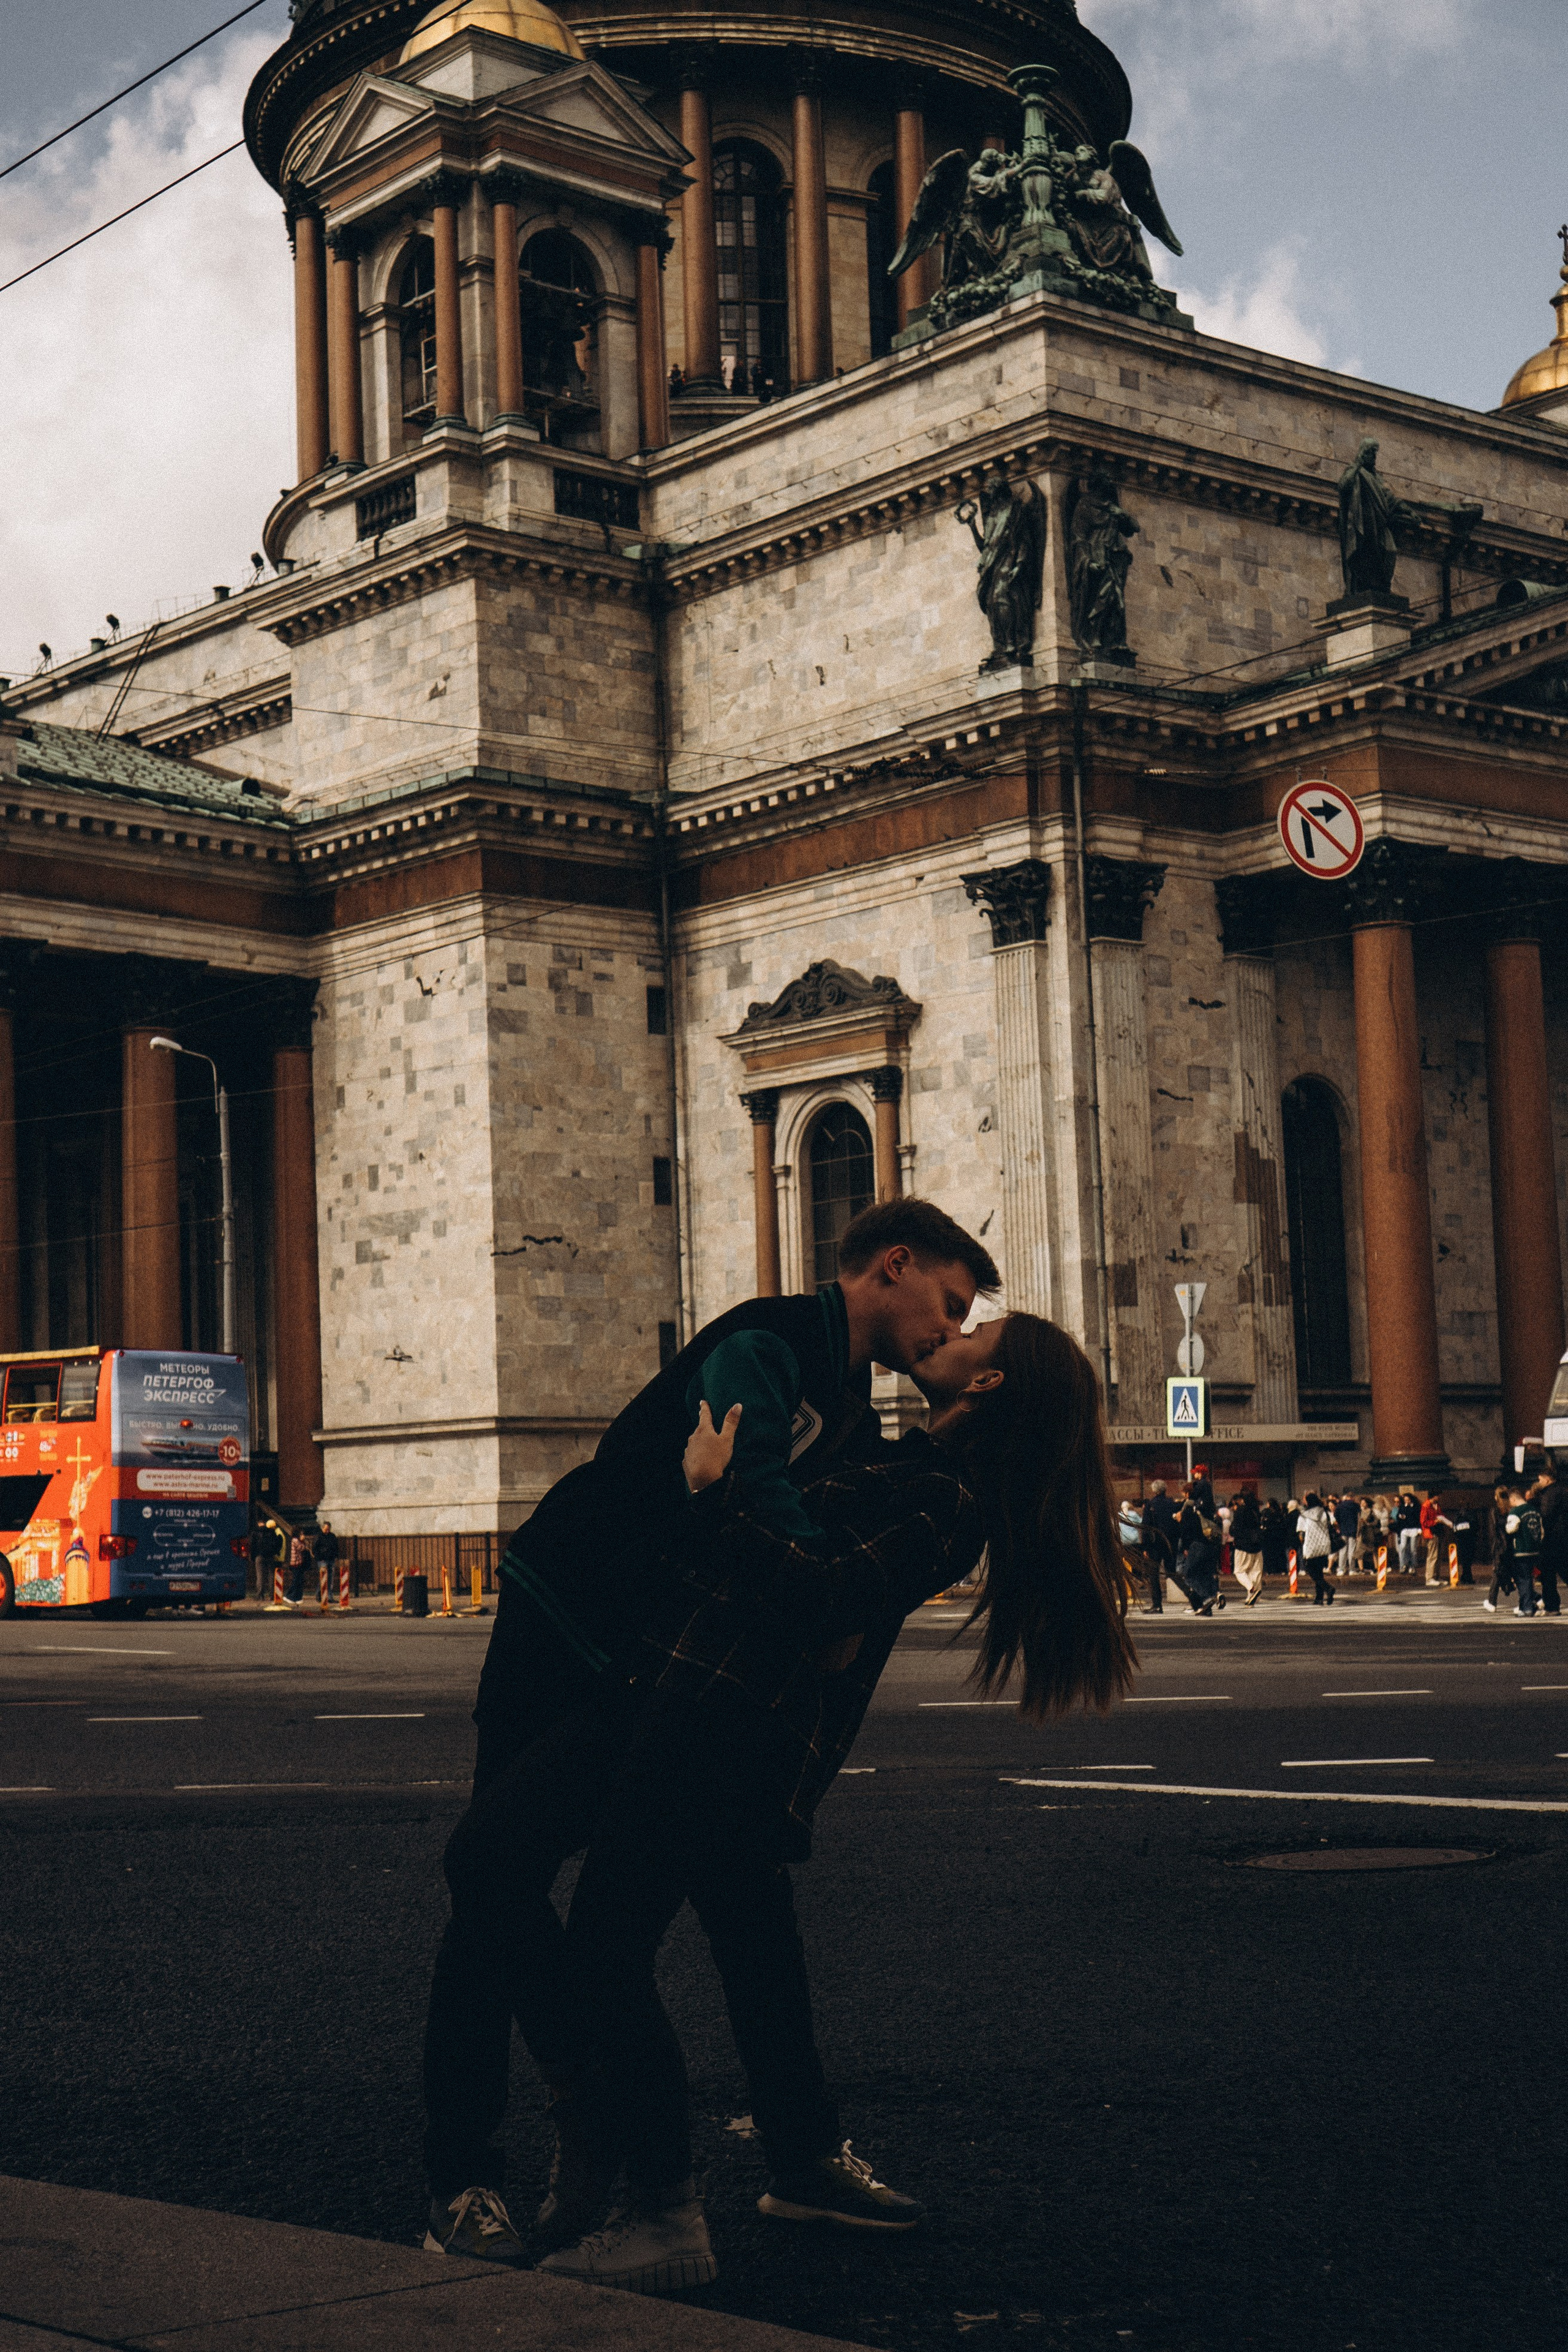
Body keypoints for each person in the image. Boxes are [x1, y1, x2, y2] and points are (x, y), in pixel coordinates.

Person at [420, 1198, 999, 2263]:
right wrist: (817, 1598)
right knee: (491, 1884)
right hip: (566, 1621)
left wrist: (821, 1602)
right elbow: (762, 1494)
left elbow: (804, 1545)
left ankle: (800, 2150)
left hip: (659, 1667)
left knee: (742, 1897)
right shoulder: (767, 1341)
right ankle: (465, 2172)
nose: (950, 1332)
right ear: (896, 1265)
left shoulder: (863, 1418)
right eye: (951, 1305)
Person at [536, 1312, 1136, 2293]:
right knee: (755, 1943)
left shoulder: (947, 1497)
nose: (954, 1328)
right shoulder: (919, 1471)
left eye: (979, 1329)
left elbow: (818, 1593)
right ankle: (807, 2158)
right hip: (730, 1722)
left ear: (985, 1385)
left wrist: (713, 1488)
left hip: (718, 1728)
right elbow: (821, 1597)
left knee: (603, 1953)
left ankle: (664, 2213)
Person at [1173, 1480, 1221, 1615]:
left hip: (1195, 1544)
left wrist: (1180, 1520)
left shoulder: (1188, 1508)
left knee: (1188, 1574)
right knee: (1202, 1573)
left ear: (1187, 1494)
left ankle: (1207, 1598)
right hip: (1208, 1543)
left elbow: (1188, 1530)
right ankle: (1209, 1602)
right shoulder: (1204, 1507)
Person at [1534, 1458, 1568, 1616]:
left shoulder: (1550, 1494)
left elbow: (1546, 1516)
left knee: (1548, 1576)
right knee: (1564, 1570)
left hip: (1552, 1539)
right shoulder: (1562, 1490)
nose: (1538, 1481)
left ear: (1547, 1479)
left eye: (1540, 1479)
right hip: (1563, 1538)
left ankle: (1552, 1606)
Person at [1505, 1487, 1544, 1617]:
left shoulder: (1516, 1512)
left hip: (1521, 1550)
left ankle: (1527, 1607)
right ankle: (1528, 1604)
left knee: (1523, 1580)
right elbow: (1541, 1531)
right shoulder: (1534, 1511)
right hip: (1535, 1550)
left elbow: (1511, 1529)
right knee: (1529, 1579)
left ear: (1513, 1499)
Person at [1140, 1480, 1177, 1615]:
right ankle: (1194, 1599)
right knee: (1172, 1573)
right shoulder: (1171, 1504)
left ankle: (1157, 1605)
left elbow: (1146, 1528)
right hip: (1168, 1544)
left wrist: (1145, 1547)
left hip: (1154, 1545)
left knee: (1153, 1575)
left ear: (1155, 1491)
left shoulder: (1150, 1505)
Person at [1295, 1492, 1335, 1605]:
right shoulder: (1324, 1513)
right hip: (1324, 1545)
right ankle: (1319, 1597)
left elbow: (1301, 1534)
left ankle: (1328, 1588)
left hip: (1311, 1546)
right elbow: (1330, 1526)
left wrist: (1303, 1544)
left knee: (1311, 1570)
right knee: (1319, 1572)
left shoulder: (1304, 1515)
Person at [1229, 1488, 1264, 1605]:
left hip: (1243, 1545)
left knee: (1239, 1571)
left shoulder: (1240, 1511)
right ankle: (1251, 1596)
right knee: (1255, 1572)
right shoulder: (1256, 1511)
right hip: (1257, 1545)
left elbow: (1235, 1529)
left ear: (1242, 1499)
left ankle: (1251, 1589)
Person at [314, 1520, 341, 1607]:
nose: (328, 1531)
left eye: (329, 1529)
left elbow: (336, 1547)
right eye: (326, 1529)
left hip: (331, 1560)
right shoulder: (319, 1536)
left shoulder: (332, 1536)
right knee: (323, 1578)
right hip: (322, 1560)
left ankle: (328, 1596)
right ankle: (320, 1594)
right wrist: (319, 1558)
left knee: (330, 1579)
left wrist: (335, 1556)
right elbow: (315, 1549)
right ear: (323, 1528)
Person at [285, 1524, 313, 1607]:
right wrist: (303, 1541)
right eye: (301, 1533)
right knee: (296, 1580)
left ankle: (297, 1598)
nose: (302, 1535)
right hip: (296, 1563)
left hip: (299, 1563)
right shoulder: (295, 1540)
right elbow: (302, 1548)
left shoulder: (296, 1540)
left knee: (299, 1580)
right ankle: (289, 1596)